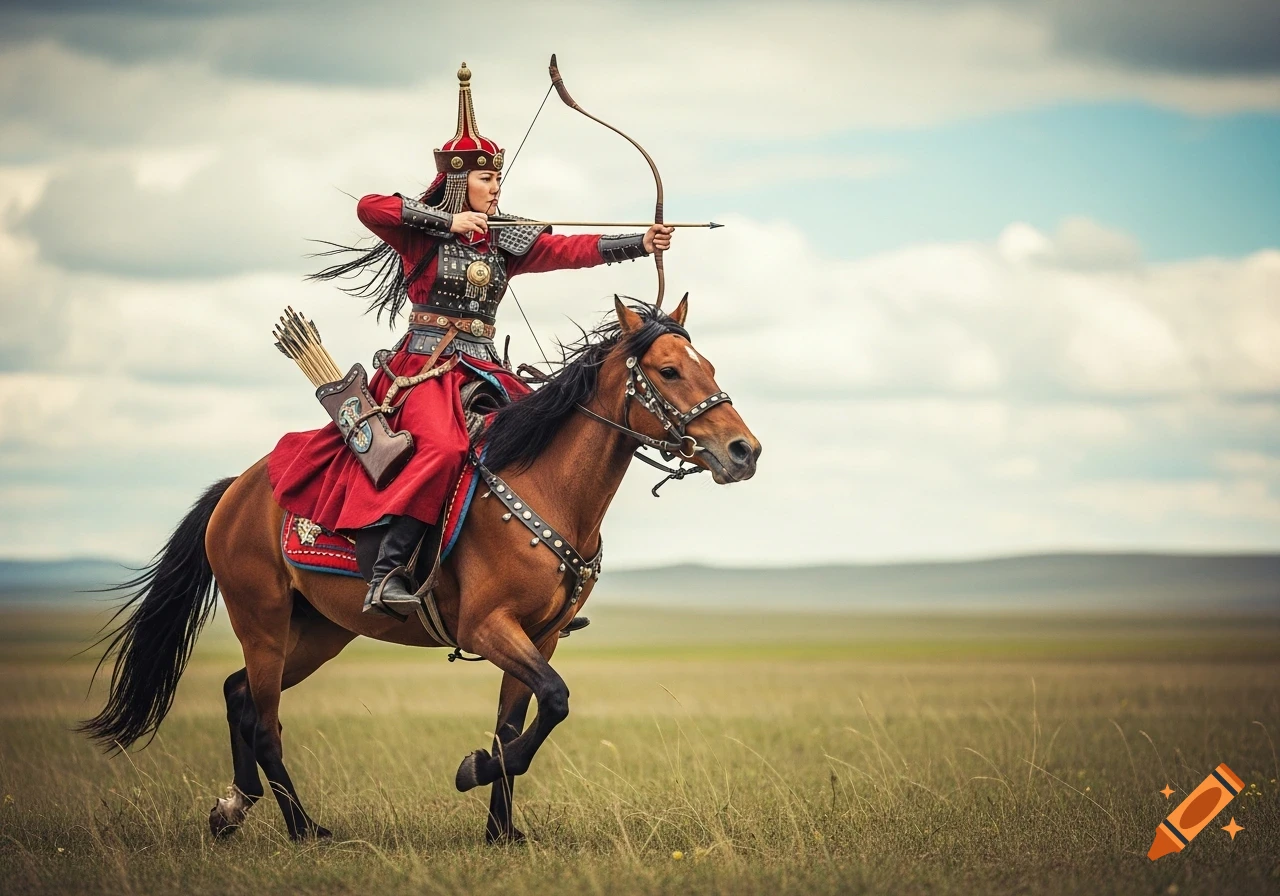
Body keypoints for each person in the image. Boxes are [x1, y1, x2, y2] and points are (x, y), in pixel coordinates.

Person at [268, 62, 675, 618]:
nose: (496, 188)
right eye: (487, 180)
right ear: (460, 183)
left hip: (487, 369)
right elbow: (369, 207)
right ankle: (388, 571)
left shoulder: (505, 242)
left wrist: (639, 242)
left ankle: (531, 583)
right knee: (442, 449)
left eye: (499, 180)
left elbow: (571, 250)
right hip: (425, 368)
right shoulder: (421, 236)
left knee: (548, 443)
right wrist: (446, 224)